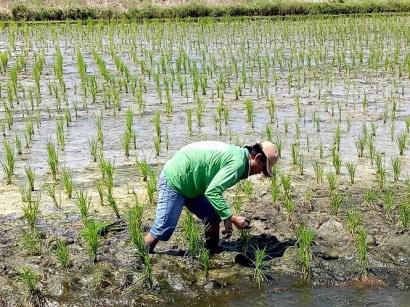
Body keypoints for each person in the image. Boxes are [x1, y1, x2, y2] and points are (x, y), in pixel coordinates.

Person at [144, 140, 279, 254]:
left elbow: (214, 189)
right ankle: (142, 254)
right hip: (176, 181)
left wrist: (226, 217)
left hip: (194, 184)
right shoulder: (237, 163)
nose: (260, 173)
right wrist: (232, 218)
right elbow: (213, 192)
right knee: (163, 228)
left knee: (213, 216)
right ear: (257, 158)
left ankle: (212, 250)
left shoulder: (240, 159)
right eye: (262, 168)